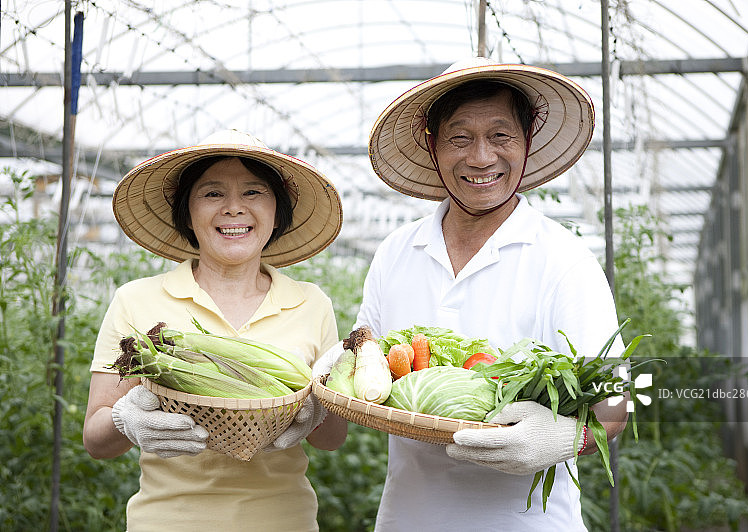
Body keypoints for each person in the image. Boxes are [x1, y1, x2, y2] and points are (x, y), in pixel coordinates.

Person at [343, 58, 627, 530]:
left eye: (501, 136)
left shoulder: (561, 258)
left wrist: (563, 439)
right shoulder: (397, 252)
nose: (481, 158)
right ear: (432, 146)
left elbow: (617, 398)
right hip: (408, 519)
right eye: (459, 138)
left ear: (527, 142)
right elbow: (363, 359)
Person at [83, 129, 347, 531]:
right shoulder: (136, 300)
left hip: (283, 521)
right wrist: (125, 419)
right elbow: (95, 440)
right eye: (212, 193)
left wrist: (319, 409)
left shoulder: (312, 303)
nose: (233, 208)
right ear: (187, 212)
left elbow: (331, 440)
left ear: (278, 212)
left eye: (254, 193)